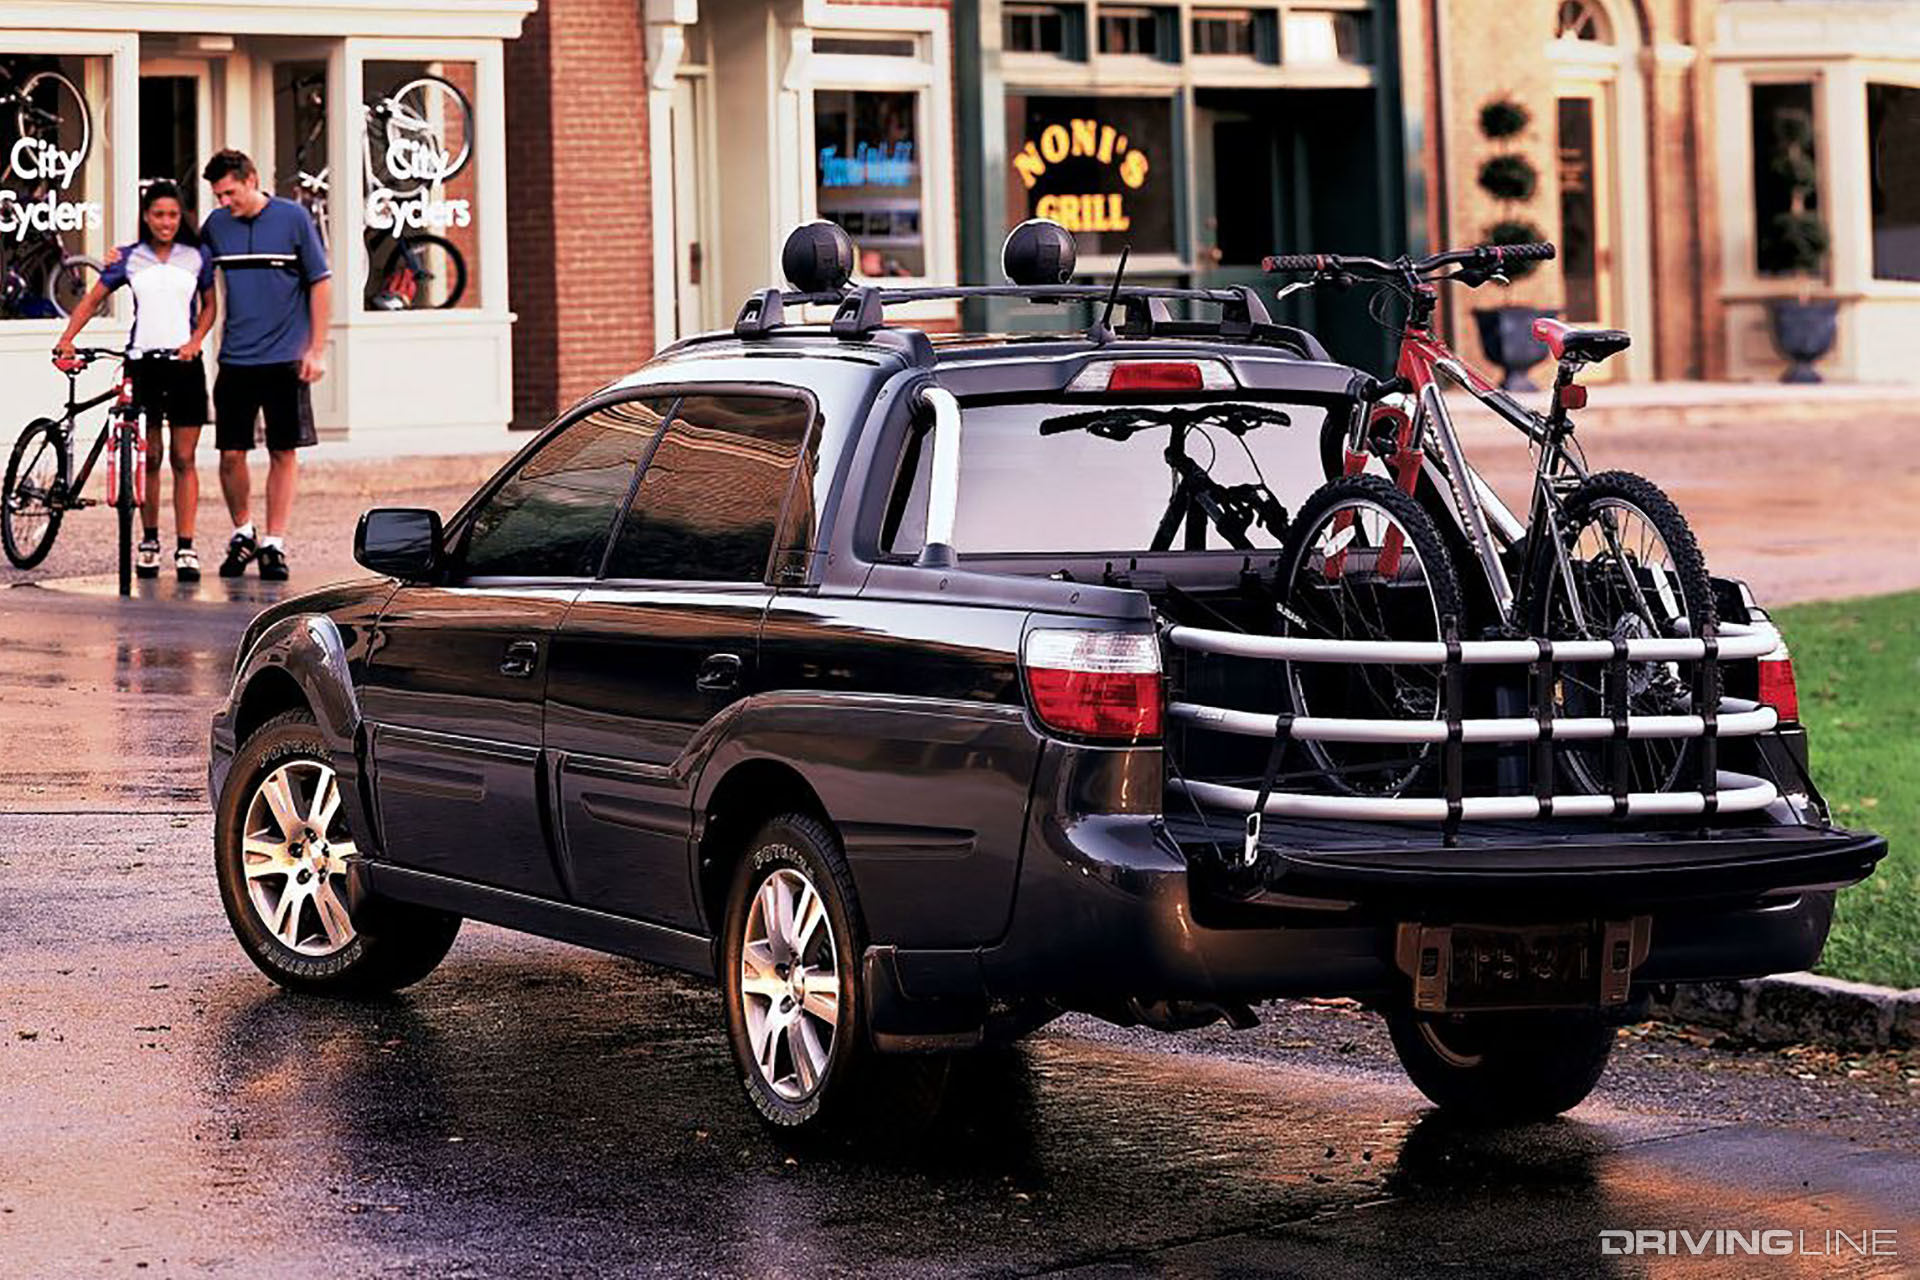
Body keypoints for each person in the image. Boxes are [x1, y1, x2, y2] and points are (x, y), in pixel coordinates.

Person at [55, 180, 217, 580]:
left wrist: (196, 340)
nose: (166, 222)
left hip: (184, 365)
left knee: (184, 458)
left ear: (181, 218)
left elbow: (210, 306)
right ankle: (149, 540)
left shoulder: (197, 256)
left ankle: (186, 547)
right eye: (158, 215)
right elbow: (93, 299)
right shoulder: (129, 257)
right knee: (151, 457)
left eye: (173, 215)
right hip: (142, 365)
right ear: (146, 217)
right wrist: (67, 338)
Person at [197, 148, 332, 580]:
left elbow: (320, 283)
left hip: (285, 360)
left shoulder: (293, 218)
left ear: (251, 180)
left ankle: (274, 542)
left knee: (282, 451)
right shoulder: (216, 227)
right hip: (235, 359)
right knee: (230, 454)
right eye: (218, 196)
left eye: (230, 193)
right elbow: (182, 263)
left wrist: (316, 349)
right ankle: (244, 533)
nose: (224, 202)